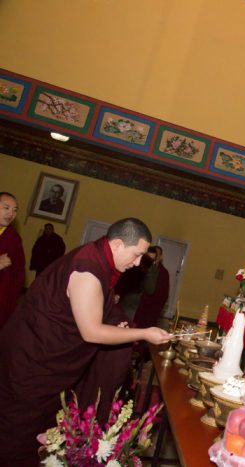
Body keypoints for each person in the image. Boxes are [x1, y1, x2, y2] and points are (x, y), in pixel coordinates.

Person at [0, 218, 172, 466]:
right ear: (117, 244)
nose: (137, 263)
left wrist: (115, 319)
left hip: (45, 361)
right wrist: (144, 333)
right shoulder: (88, 269)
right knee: (15, 433)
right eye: (136, 255)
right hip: (32, 362)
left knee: (35, 432)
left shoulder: (99, 258)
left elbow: (100, 304)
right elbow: (91, 332)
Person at [0, 192, 25, 330]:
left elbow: (18, 275)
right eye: (6, 207)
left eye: (15, 210)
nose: (11, 213)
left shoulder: (14, 239)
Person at [134, 245, 170, 329]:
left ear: (160, 257)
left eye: (157, 255)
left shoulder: (163, 272)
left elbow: (164, 294)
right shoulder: (141, 266)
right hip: (137, 306)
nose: (154, 257)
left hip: (152, 308)